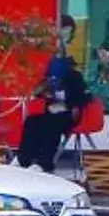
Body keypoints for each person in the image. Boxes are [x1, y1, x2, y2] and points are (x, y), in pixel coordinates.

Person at [15, 19, 90, 172]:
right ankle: (23, 159)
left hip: (68, 115)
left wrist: (73, 107)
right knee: (32, 121)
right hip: (53, 112)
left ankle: (44, 163)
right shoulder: (49, 81)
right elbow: (42, 95)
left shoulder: (74, 77)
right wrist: (43, 91)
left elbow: (82, 98)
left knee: (51, 125)